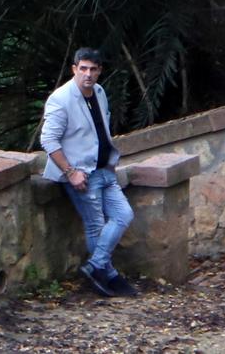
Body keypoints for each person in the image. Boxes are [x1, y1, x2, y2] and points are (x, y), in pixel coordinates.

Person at [39, 46, 137, 297]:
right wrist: (71, 172)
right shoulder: (61, 99)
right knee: (95, 225)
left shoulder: (100, 93)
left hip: (104, 169)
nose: (88, 74)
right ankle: (109, 275)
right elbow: (49, 140)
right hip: (81, 174)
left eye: (93, 69)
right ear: (74, 69)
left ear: (100, 71)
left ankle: (96, 267)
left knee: (123, 214)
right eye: (83, 68)